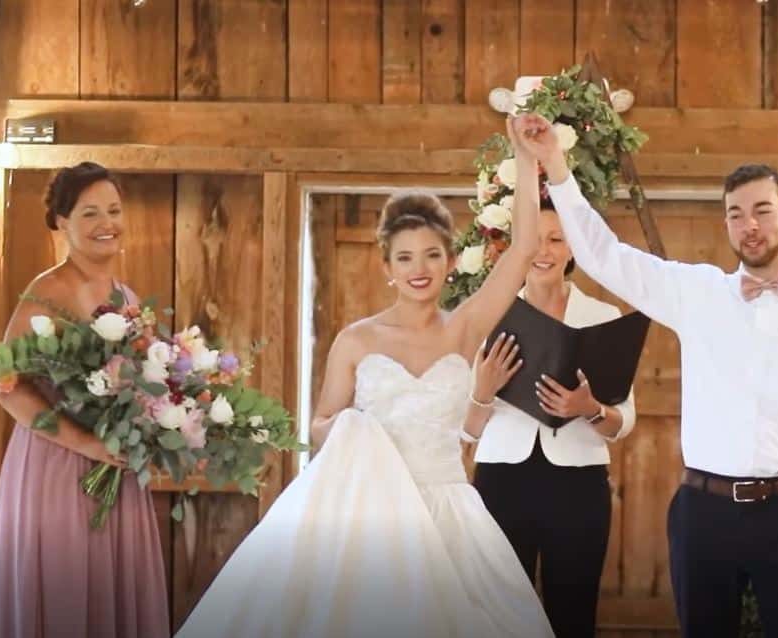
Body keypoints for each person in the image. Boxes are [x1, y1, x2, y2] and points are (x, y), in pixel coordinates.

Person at [174, 118, 552, 638]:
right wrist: (354, 429)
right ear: (387, 268)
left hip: (448, 516)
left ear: (447, 263)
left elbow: (525, 249)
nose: (419, 268)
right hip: (372, 516)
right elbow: (321, 424)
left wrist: (526, 156)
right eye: (405, 258)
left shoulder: (465, 327)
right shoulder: (357, 339)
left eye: (431, 255)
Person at [512, 113, 778, 637]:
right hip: (702, 514)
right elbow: (603, 255)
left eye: (762, 211)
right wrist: (556, 166)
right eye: (734, 214)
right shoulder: (697, 292)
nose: (748, 225)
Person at [0, 162, 171, 638]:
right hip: (57, 465)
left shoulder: (126, 296)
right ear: (62, 223)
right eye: (90, 214)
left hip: (116, 467)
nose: (107, 223)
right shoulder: (47, 292)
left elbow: (146, 381)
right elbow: (5, 386)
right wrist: (86, 443)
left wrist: (156, 426)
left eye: (114, 210)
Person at [464, 196, 637, 638]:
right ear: (514, 248)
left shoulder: (603, 318)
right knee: (499, 617)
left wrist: (589, 409)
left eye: (557, 239)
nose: (544, 251)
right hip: (502, 479)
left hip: (578, 485)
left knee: (574, 613)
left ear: (574, 248)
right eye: (534, 240)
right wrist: (482, 392)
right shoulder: (488, 317)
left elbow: (624, 422)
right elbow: (462, 432)